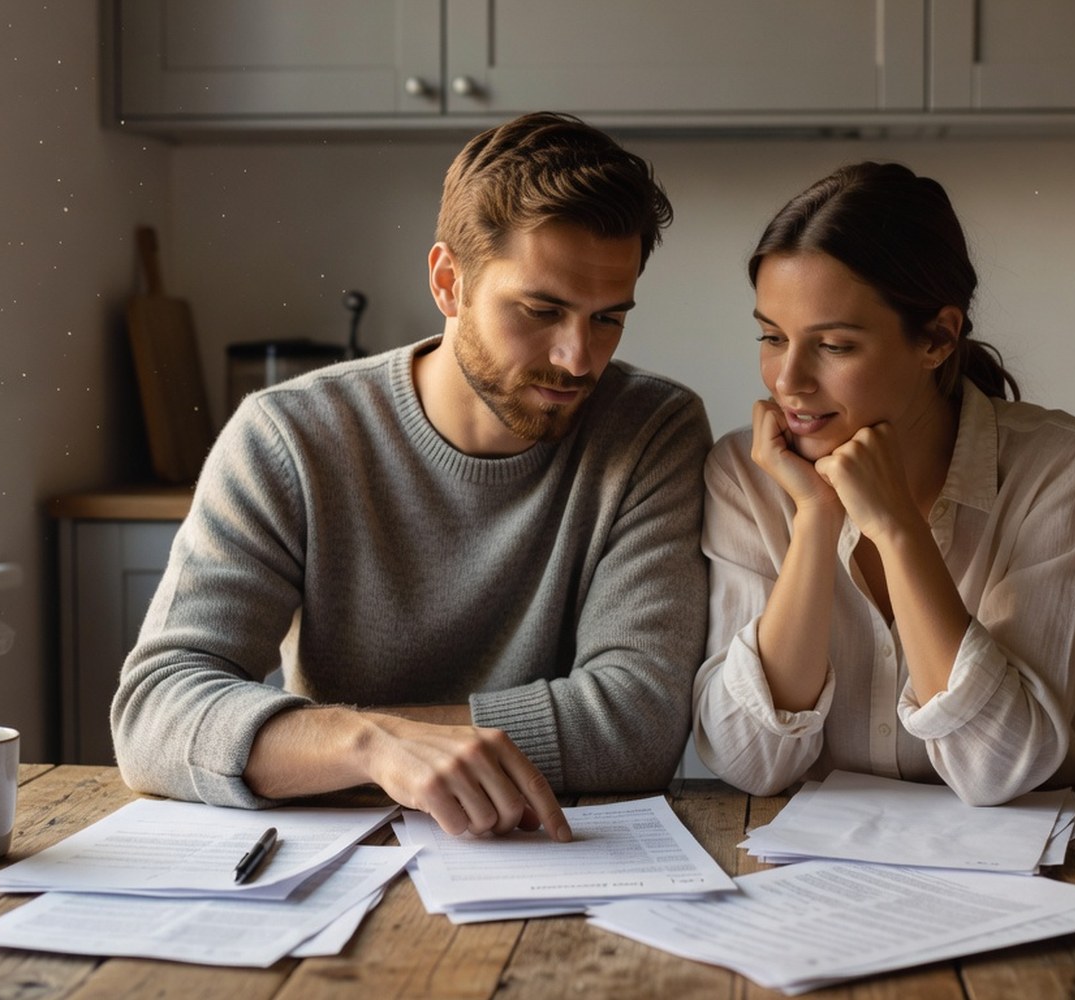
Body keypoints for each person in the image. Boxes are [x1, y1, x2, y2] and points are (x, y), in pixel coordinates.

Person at [111, 112, 712, 841]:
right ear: (447, 281)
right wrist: (373, 747)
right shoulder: (290, 436)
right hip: (330, 855)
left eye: (608, 318)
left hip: (556, 854)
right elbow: (154, 712)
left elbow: (637, 724)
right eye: (541, 310)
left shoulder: (651, 430)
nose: (579, 357)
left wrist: (321, 743)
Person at [692, 161, 1075, 804]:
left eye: (833, 345)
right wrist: (815, 520)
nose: (788, 381)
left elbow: (998, 769)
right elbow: (749, 762)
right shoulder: (746, 477)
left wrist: (897, 530)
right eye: (772, 337)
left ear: (937, 339)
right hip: (814, 876)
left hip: (1041, 864)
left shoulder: (1061, 469)